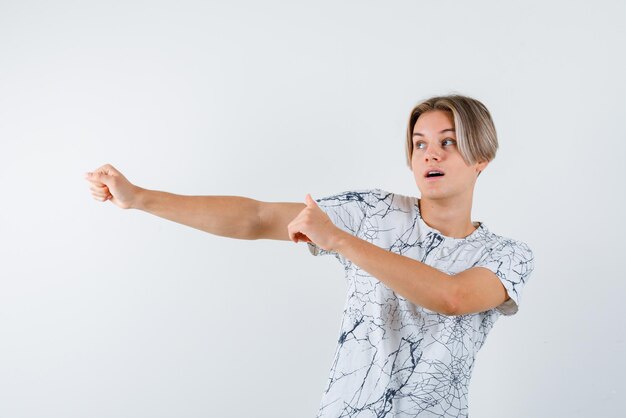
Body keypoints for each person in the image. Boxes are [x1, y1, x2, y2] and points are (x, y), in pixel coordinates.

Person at [84, 94, 535, 417]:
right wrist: (141, 197)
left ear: (482, 158)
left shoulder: (507, 255)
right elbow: (256, 217)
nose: (430, 154)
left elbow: (451, 298)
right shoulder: (372, 212)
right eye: (419, 143)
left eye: (449, 141)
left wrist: (339, 241)